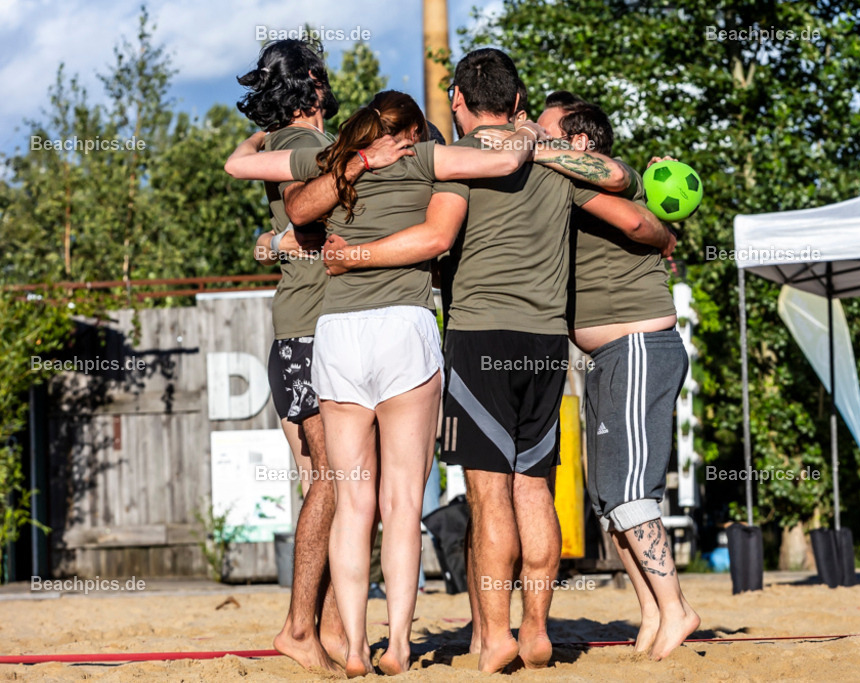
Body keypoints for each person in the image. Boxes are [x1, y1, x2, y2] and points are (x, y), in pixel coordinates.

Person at [224, 89, 546, 677]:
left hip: (339, 334)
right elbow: (502, 163)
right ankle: (396, 645)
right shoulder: (425, 158)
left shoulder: (335, 163)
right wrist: (526, 134)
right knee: (401, 505)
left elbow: (284, 203)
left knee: (352, 504)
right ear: (413, 131)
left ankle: (351, 649)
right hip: (403, 328)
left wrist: (357, 163)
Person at [438, 49, 677, 674]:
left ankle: (495, 636)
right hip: (547, 341)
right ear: (517, 101)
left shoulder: (460, 162)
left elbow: (435, 240)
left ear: (460, 102)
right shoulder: (559, 164)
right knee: (533, 489)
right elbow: (622, 185)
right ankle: (538, 630)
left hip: (481, 333)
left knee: (488, 500)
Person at [228, 39, 408, 673]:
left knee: (325, 485)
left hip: (296, 327)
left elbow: (242, 166)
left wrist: (273, 236)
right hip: (312, 326)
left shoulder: (278, 145)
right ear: (312, 83)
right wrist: (370, 155)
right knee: (337, 482)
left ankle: (330, 631)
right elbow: (279, 178)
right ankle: (301, 627)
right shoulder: (307, 151)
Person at [537, 90, 701, 660]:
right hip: (608, 357)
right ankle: (654, 612)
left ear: (579, 140)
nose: (538, 136)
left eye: (547, 130)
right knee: (612, 501)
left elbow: (635, 218)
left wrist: (532, 148)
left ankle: (677, 607)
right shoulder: (565, 187)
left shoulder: (602, 180)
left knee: (633, 493)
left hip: (637, 348)